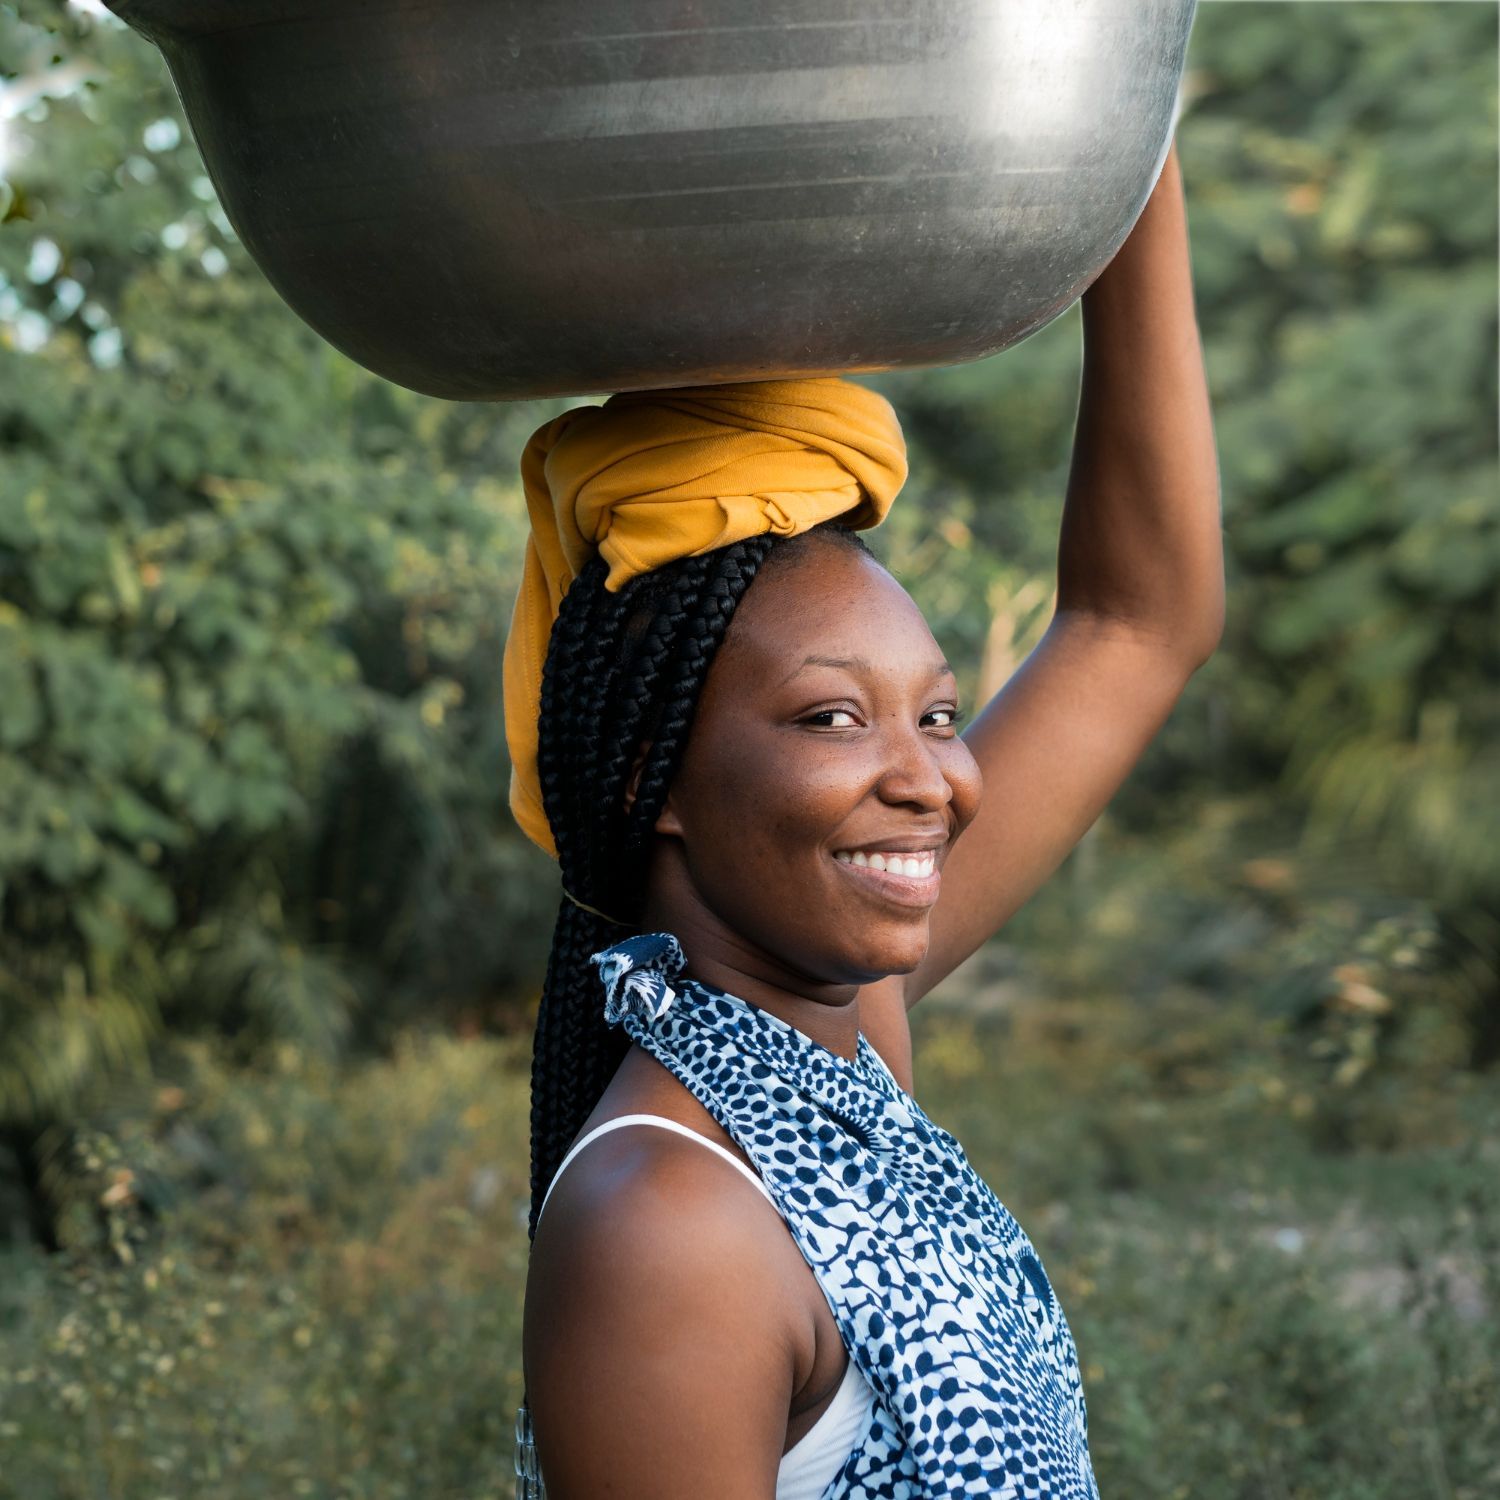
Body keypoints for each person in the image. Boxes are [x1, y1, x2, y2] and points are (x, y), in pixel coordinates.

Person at [512, 138, 1221, 1499]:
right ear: (649, 779)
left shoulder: (838, 1052)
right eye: (834, 718)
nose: (936, 781)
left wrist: (1134, 138)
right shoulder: (670, 1225)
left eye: (939, 714)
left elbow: (1141, 623)